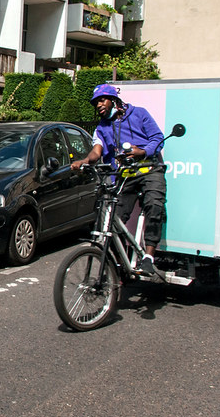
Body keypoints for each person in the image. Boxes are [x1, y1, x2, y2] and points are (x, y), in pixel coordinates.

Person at [70, 83, 166, 276]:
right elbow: (96, 152)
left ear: (114, 100)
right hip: (125, 176)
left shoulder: (139, 114)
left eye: (102, 100)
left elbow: (158, 138)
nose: (98, 105)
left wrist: (142, 151)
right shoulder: (102, 127)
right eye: (95, 102)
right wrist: (84, 161)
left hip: (150, 170)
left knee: (154, 206)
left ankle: (148, 257)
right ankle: (121, 265)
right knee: (114, 219)